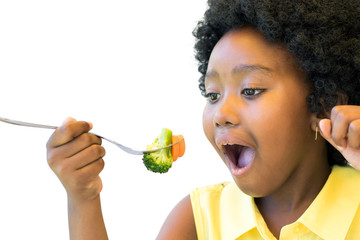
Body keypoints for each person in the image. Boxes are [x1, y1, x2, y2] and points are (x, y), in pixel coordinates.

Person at [46, 0, 360, 239]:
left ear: (322, 103)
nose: (221, 114)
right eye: (212, 95)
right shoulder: (199, 218)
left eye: (250, 90)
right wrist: (84, 198)